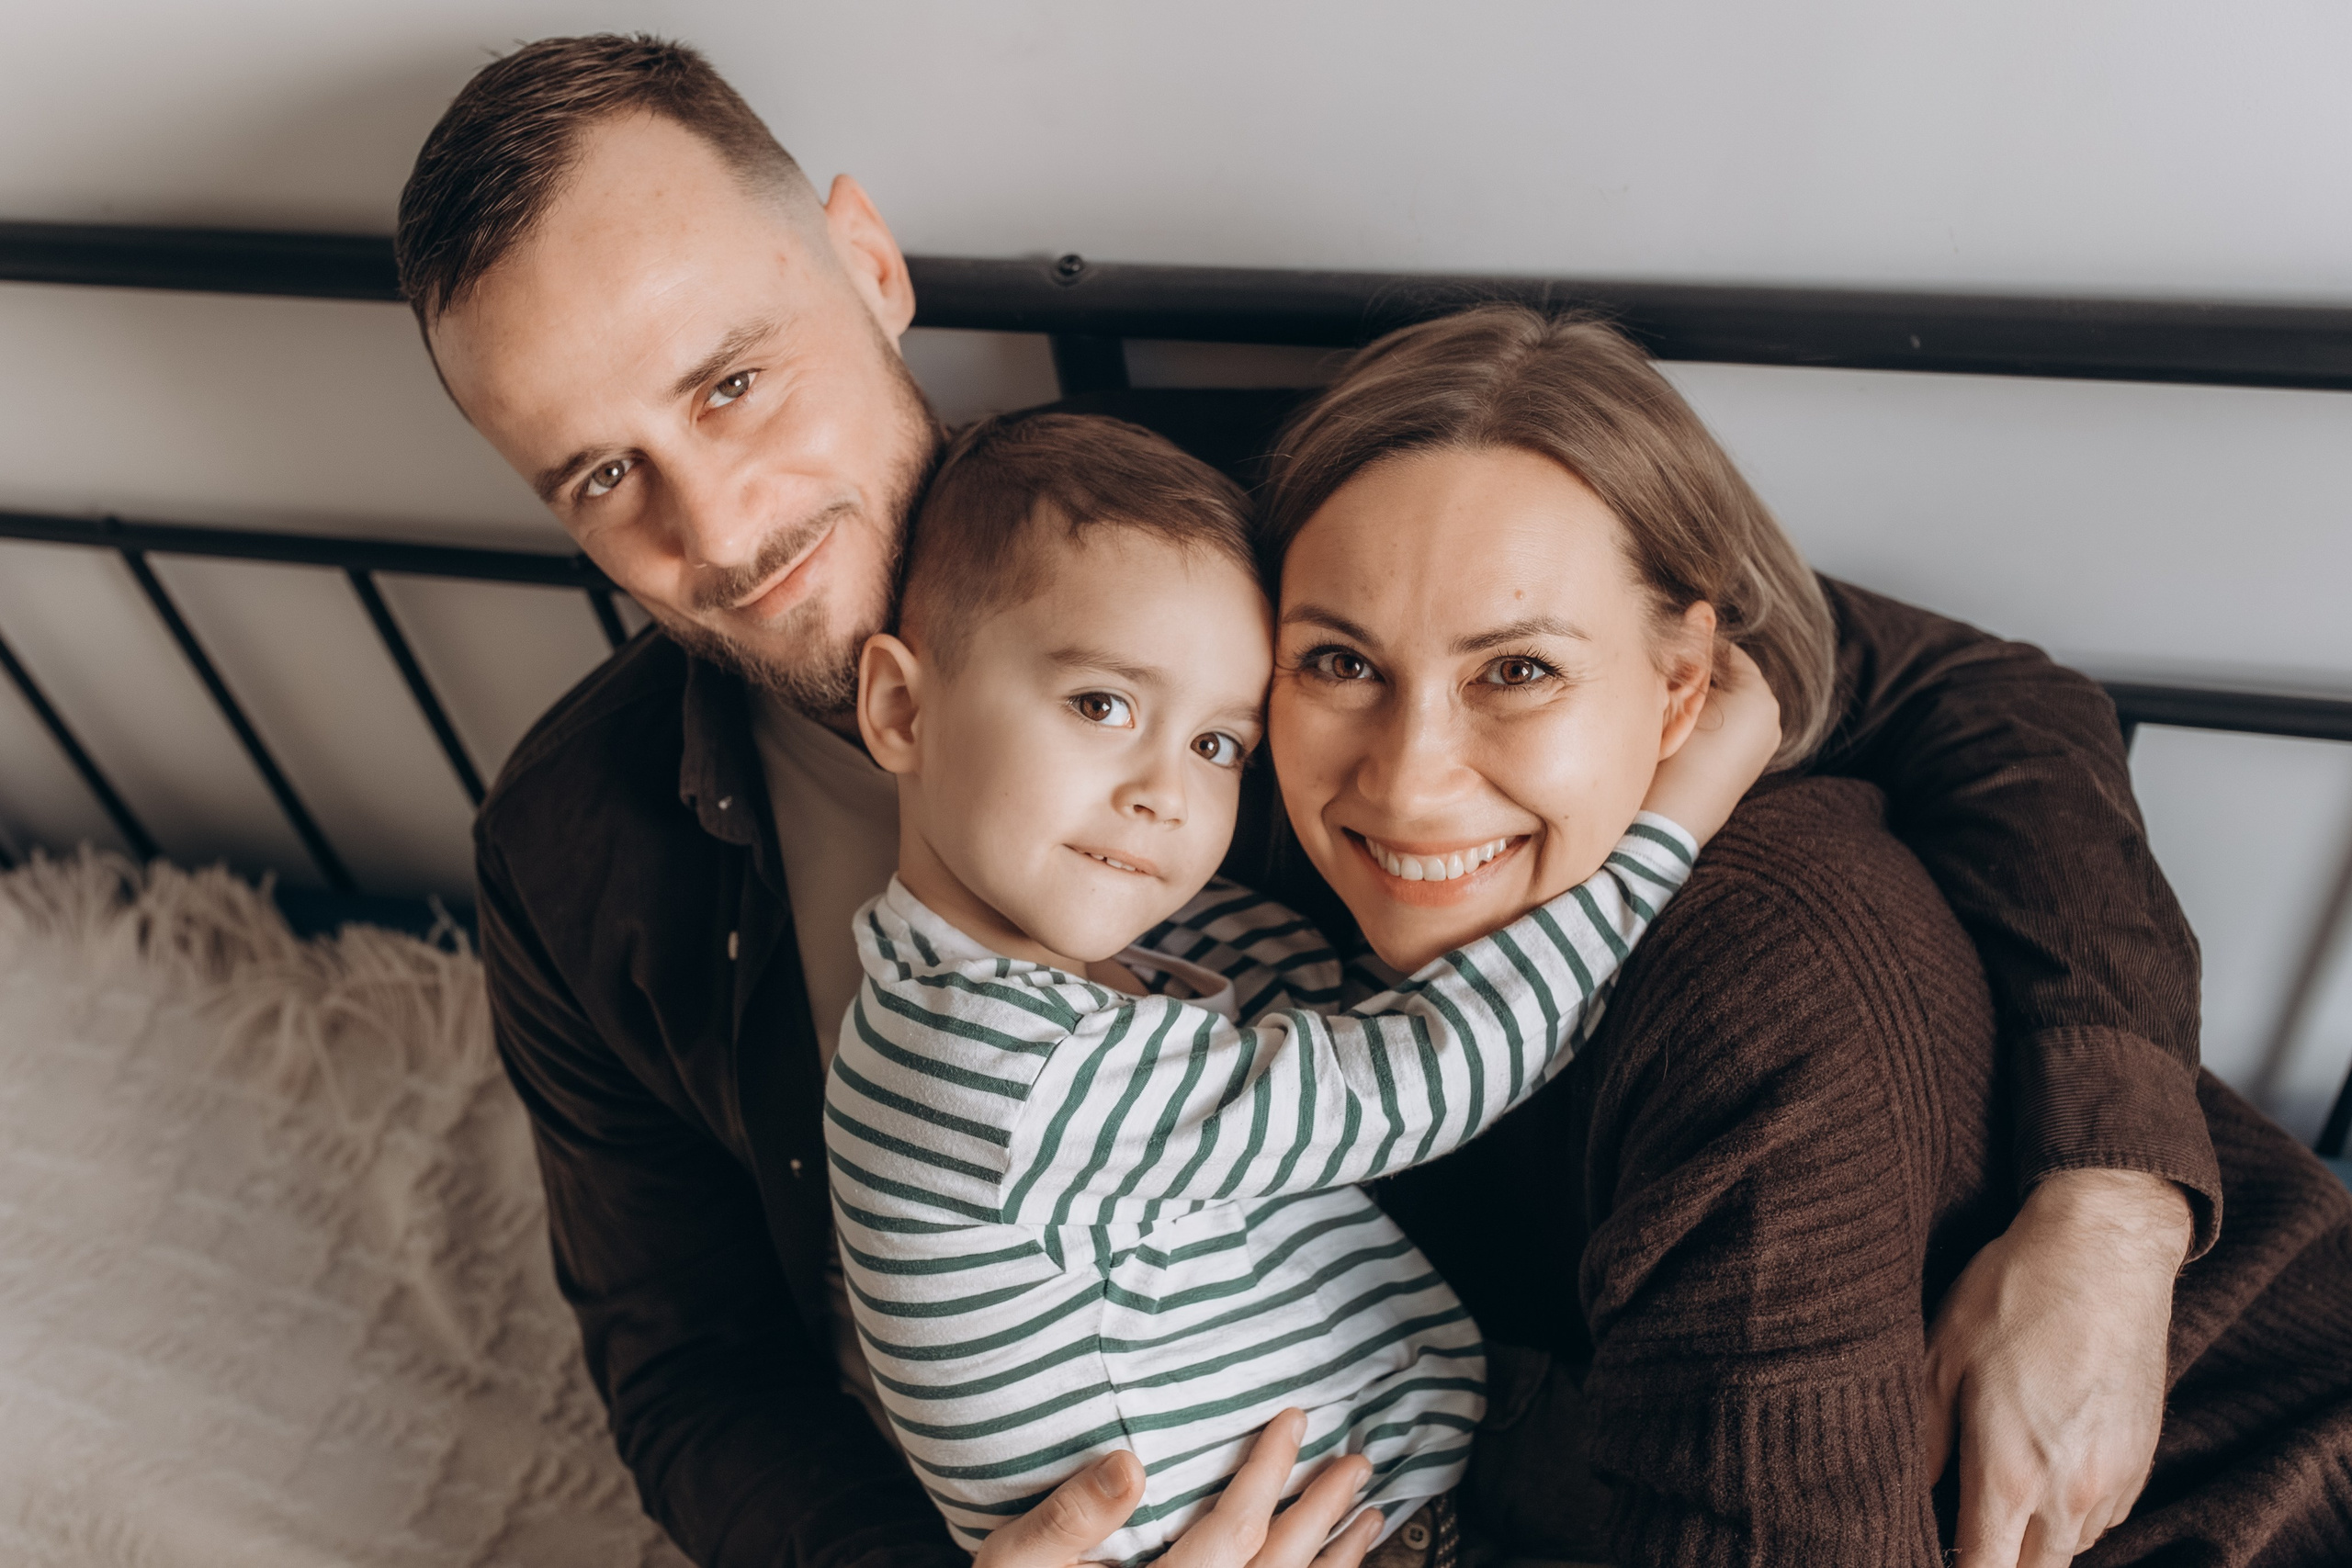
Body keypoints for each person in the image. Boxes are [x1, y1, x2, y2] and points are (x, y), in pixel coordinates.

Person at [398, 32, 2214, 1568]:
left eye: (733, 382)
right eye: (602, 476)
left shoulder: (1275, 532)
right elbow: (692, 1369)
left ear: (867, 264)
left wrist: (2110, 1206)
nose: (716, 526)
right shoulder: (571, 847)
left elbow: (1967, 701)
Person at [1258, 303, 2352, 1565]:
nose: (1407, 782)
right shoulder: (1179, 776)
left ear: (1687, 686)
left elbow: (1988, 697)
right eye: (1338, 663)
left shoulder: (1754, 971)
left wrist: (2113, 1208)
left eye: (1518, 671)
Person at [825, 410, 1774, 1562]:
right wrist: (1673, 820)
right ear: (901, 709)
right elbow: (1419, 1074)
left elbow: (1347, 998)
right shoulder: (991, 1065)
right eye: (1101, 705)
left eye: (1218, 746)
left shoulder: (1124, 952)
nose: (1165, 795)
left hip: (1439, 1452)